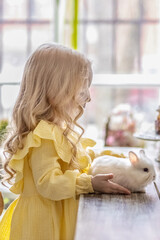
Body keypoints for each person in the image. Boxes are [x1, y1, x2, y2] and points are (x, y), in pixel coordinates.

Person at [0, 43, 130, 240]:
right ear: (56, 90)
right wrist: (90, 184)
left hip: (54, 217)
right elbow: (48, 184)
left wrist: (111, 156)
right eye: (82, 89)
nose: (88, 97)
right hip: (43, 226)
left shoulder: (55, 129)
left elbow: (74, 159)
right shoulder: (43, 136)